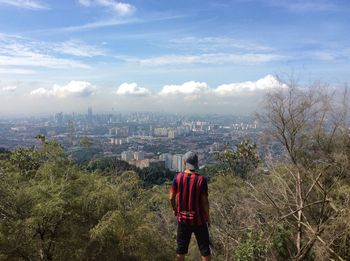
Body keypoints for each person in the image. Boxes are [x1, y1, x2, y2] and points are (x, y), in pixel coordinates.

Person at [169, 151, 211, 261]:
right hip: (199, 220)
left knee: (181, 250)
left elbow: (171, 197)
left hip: (183, 219)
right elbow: (205, 201)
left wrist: (175, 209)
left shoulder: (177, 178)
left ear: (184, 163)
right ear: (196, 164)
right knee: (205, 250)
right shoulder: (201, 180)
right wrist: (208, 216)